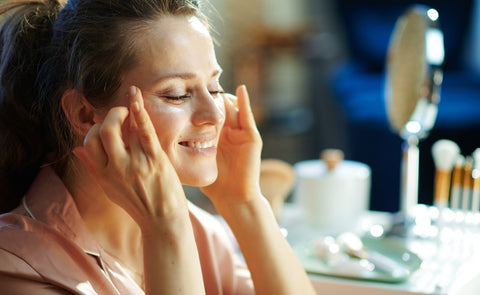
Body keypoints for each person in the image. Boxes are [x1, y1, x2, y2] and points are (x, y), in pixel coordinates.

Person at [0, 0, 317, 294]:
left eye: (215, 87)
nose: (213, 114)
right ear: (84, 115)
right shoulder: (18, 267)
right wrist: (166, 230)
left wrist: (244, 202)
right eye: (177, 94)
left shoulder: (200, 231)